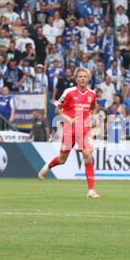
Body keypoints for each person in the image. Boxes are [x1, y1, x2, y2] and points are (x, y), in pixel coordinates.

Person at [37, 67, 101, 199]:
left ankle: (91, 190)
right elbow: (57, 110)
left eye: (85, 76)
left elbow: (94, 107)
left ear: (88, 79)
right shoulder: (69, 92)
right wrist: (69, 120)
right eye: (80, 76)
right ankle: (48, 166)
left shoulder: (92, 94)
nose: (82, 78)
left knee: (88, 155)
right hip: (69, 130)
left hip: (85, 130)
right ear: (76, 79)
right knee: (62, 160)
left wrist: (94, 118)